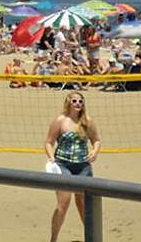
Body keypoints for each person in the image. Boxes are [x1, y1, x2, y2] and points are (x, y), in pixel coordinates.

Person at [44, 91, 102, 242]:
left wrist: (95, 151)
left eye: (80, 101)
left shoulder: (87, 121)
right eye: (75, 101)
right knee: (63, 204)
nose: (78, 104)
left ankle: (91, 237)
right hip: (63, 164)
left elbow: (96, 140)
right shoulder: (60, 121)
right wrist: (51, 158)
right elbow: (49, 142)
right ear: (68, 103)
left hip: (83, 166)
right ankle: (53, 238)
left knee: (83, 203)